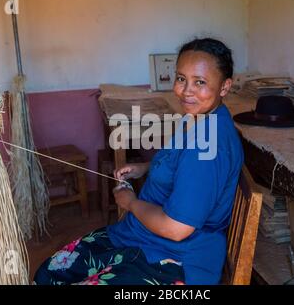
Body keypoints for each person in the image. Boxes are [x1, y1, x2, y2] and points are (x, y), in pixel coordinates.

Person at [33, 38, 244, 285]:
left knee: (52, 278)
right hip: (143, 237)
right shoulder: (197, 118)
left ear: (224, 87)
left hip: (174, 261)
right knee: (49, 273)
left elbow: (176, 229)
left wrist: (130, 202)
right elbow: (178, 163)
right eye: (180, 78)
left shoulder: (207, 148)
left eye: (200, 82)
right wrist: (146, 168)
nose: (187, 91)